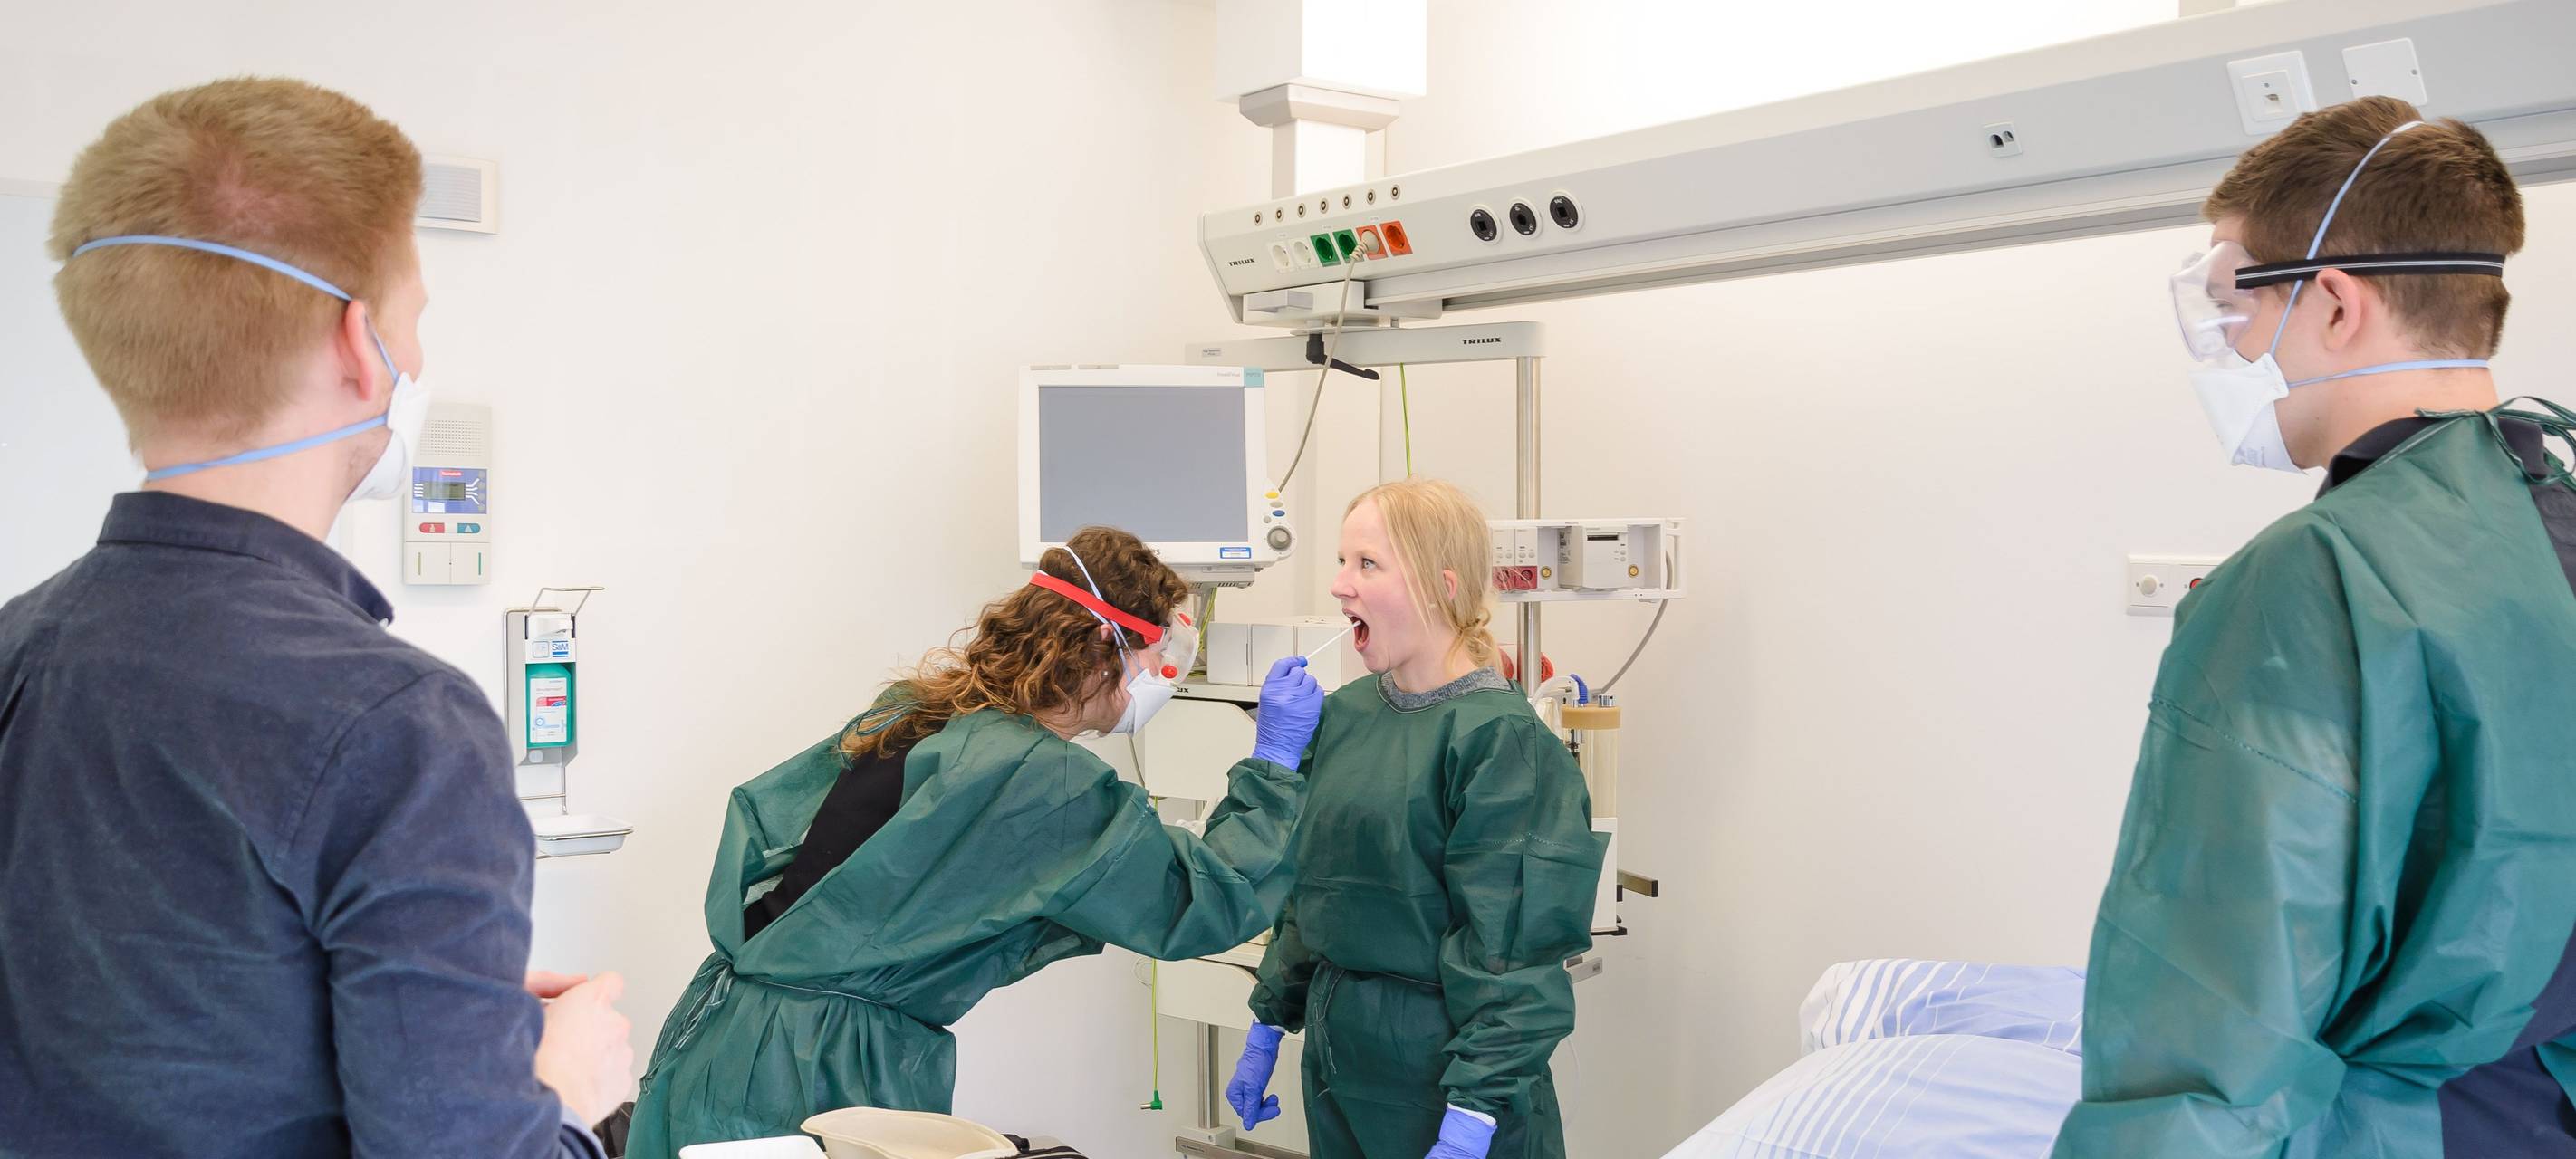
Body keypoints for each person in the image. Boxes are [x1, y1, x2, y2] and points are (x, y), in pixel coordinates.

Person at [0, 79, 632, 1156]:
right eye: (413, 318)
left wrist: (424, 997)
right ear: (358, 343)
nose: (418, 361)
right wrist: (561, 1091)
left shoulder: (19, 649)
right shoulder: (399, 725)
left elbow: (116, 1025)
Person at [2054, 96, 2576, 1157]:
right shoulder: (2553, 514)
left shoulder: (2313, 580)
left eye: (2234, 308)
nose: (2225, 350)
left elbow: (2210, 1026)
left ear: (2335, 304)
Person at [623, 524, 1324, 1157]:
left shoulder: (920, 712)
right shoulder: (1037, 778)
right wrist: (1271, 767)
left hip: (722, 1038)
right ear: (1102, 648)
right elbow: (1202, 902)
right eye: (1155, 654)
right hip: (815, 1076)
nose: (1160, 676)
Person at [1225, 477, 1606, 1159]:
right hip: (1339, 1063)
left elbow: (1514, 953)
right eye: (1342, 562)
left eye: (1367, 564)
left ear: (1441, 586)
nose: (1340, 585)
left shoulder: (1501, 743)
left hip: (1447, 1073)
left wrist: (1473, 1116)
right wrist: (1268, 1024)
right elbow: (1313, 894)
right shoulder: (1342, 716)